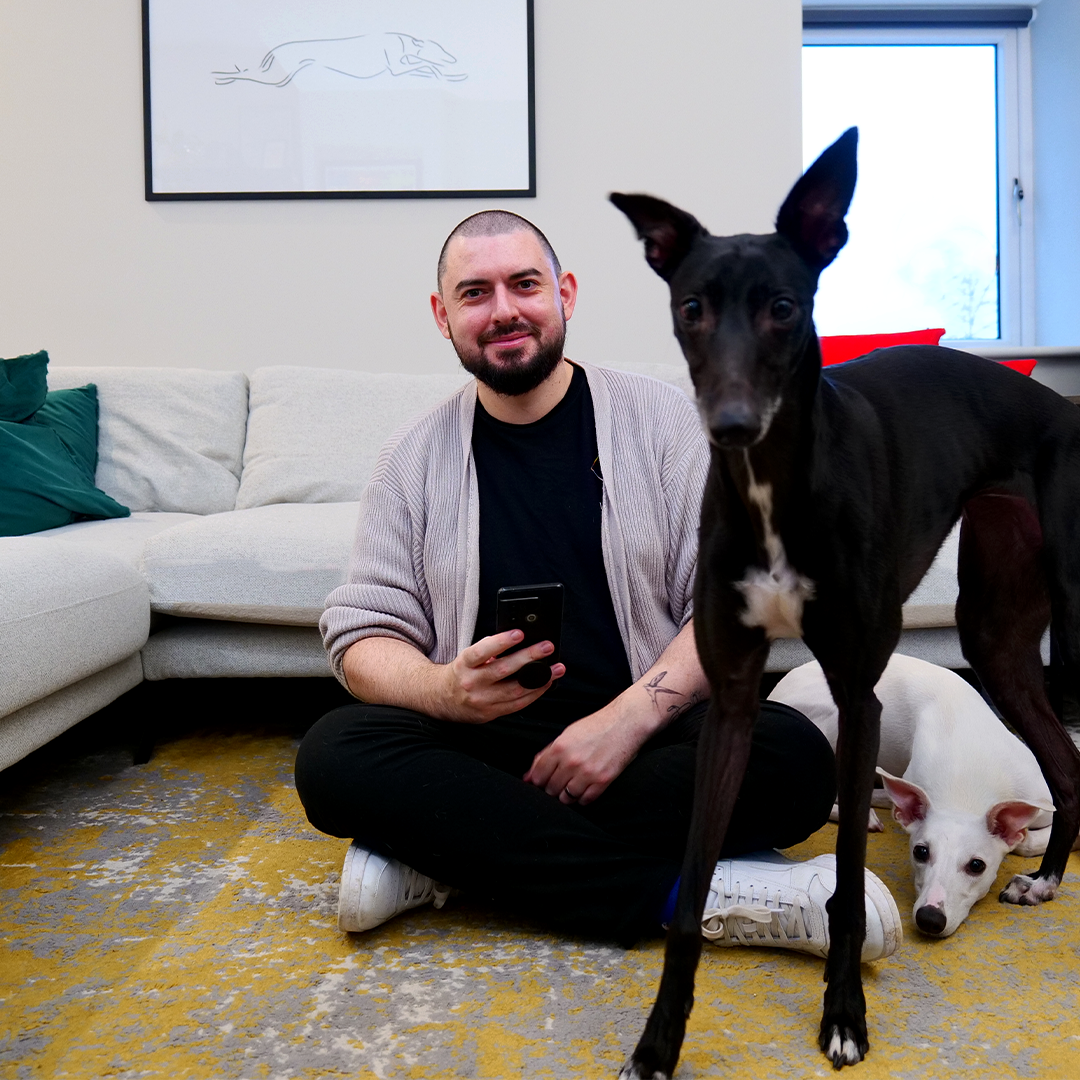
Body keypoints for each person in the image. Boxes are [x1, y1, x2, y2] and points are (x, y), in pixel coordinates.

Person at [294, 210, 901, 957]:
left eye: (525, 284)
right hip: (477, 750)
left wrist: (627, 721)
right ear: (442, 316)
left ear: (566, 295)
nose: (504, 310)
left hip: (643, 745)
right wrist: (443, 690)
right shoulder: (411, 458)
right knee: (332, 755)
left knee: (795, 759)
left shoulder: (669, 426)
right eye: (475, 293)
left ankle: (443, 858)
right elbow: (362, 635)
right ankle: (686, 898)